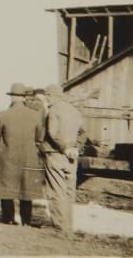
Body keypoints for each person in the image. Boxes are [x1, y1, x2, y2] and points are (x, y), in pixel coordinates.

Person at [0, 83, 45, 226]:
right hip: (28, 156)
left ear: (12, 97)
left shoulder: (3, 115)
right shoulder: (36, 116)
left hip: (7, 156)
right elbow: (40, 137)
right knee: (26, 189)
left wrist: (4, 143)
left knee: (6, 188)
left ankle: (9, 219)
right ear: (24, 97)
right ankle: (26, 221)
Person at [42, 83, 85, 236]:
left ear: (53, 96)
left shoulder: (53, 110)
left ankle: (59, 226)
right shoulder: (74, 111)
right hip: (72, 156)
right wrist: (75, 148)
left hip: (56, 153)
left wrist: (64, 148)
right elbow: (83, 132)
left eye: (47, 95)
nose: (45, 99)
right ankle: (68, 226)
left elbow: (52, 133)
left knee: (56, 190)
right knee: (69, 191)